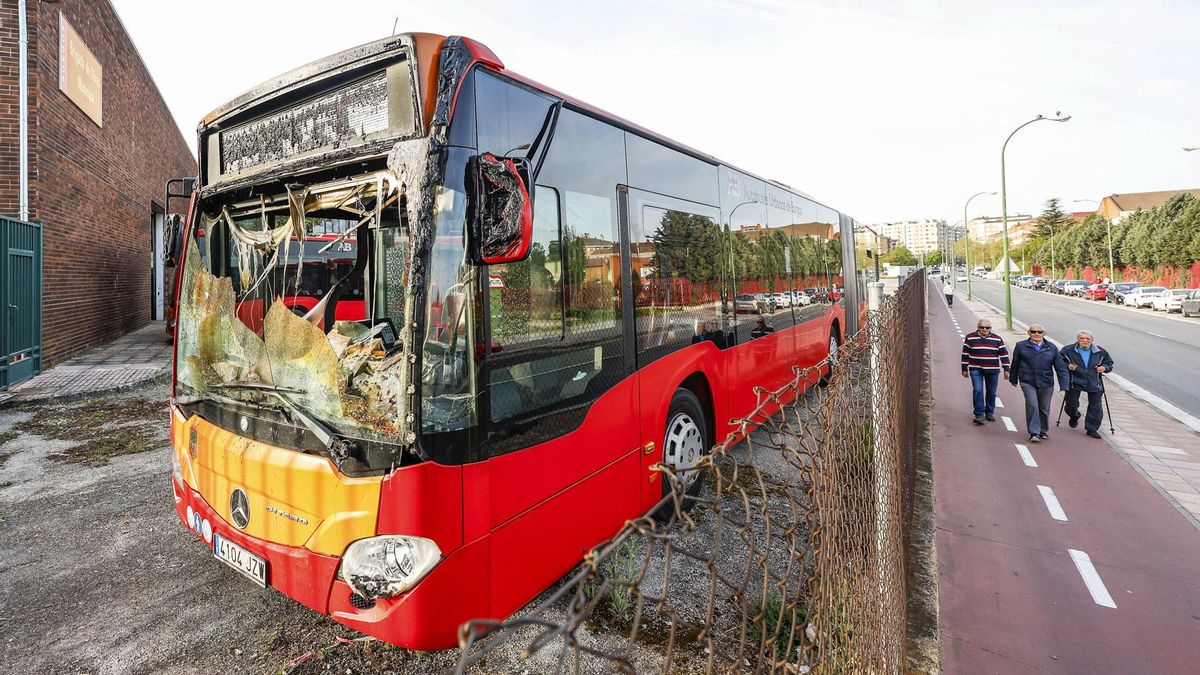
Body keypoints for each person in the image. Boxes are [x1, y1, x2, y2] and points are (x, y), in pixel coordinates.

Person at [1008, 324, 1066, 442]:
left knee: (1044, 408)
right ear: (1029, 333)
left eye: (1040, 332)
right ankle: (1034, 432)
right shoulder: (1021, 346)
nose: (1037, 334)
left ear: (1044, 334)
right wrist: (1013, 378)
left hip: (1046, 382)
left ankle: (1042, 430)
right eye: (1033, 331)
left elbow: (1060, 367)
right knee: (1032, 405)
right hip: (1027, 381)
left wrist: (1064, 384)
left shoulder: (1051, 347)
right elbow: (1015, 363)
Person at [1057, 329, 1115, 439]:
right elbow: (1059, 363)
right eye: (1082, 338)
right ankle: (1074, 415)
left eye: (1087, 339)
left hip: (1094, 381)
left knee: (1096, 406)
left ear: (1092, 340)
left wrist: (1104, 368)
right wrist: (1068, 366)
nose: (1084, 340)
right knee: (1070, 405)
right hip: (1074, 381)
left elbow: (1109, 364)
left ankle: (1092, 429)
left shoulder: (1100, 352)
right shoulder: (1068, 350)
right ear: (1078, 339)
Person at [961, 319, 1010, 425]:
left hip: (993, 370)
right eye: (982, 327)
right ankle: (979, 414)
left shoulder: (997, 339)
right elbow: (965, 354)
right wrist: (964, 369)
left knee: (991, 392)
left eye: (987, 327)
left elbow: (1004, 355)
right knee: (978, 390)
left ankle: (989, 412)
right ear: (978, 327)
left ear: (990, 328)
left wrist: (1006, 369)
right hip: (976, 369)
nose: (984, 329)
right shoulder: (970, 337)